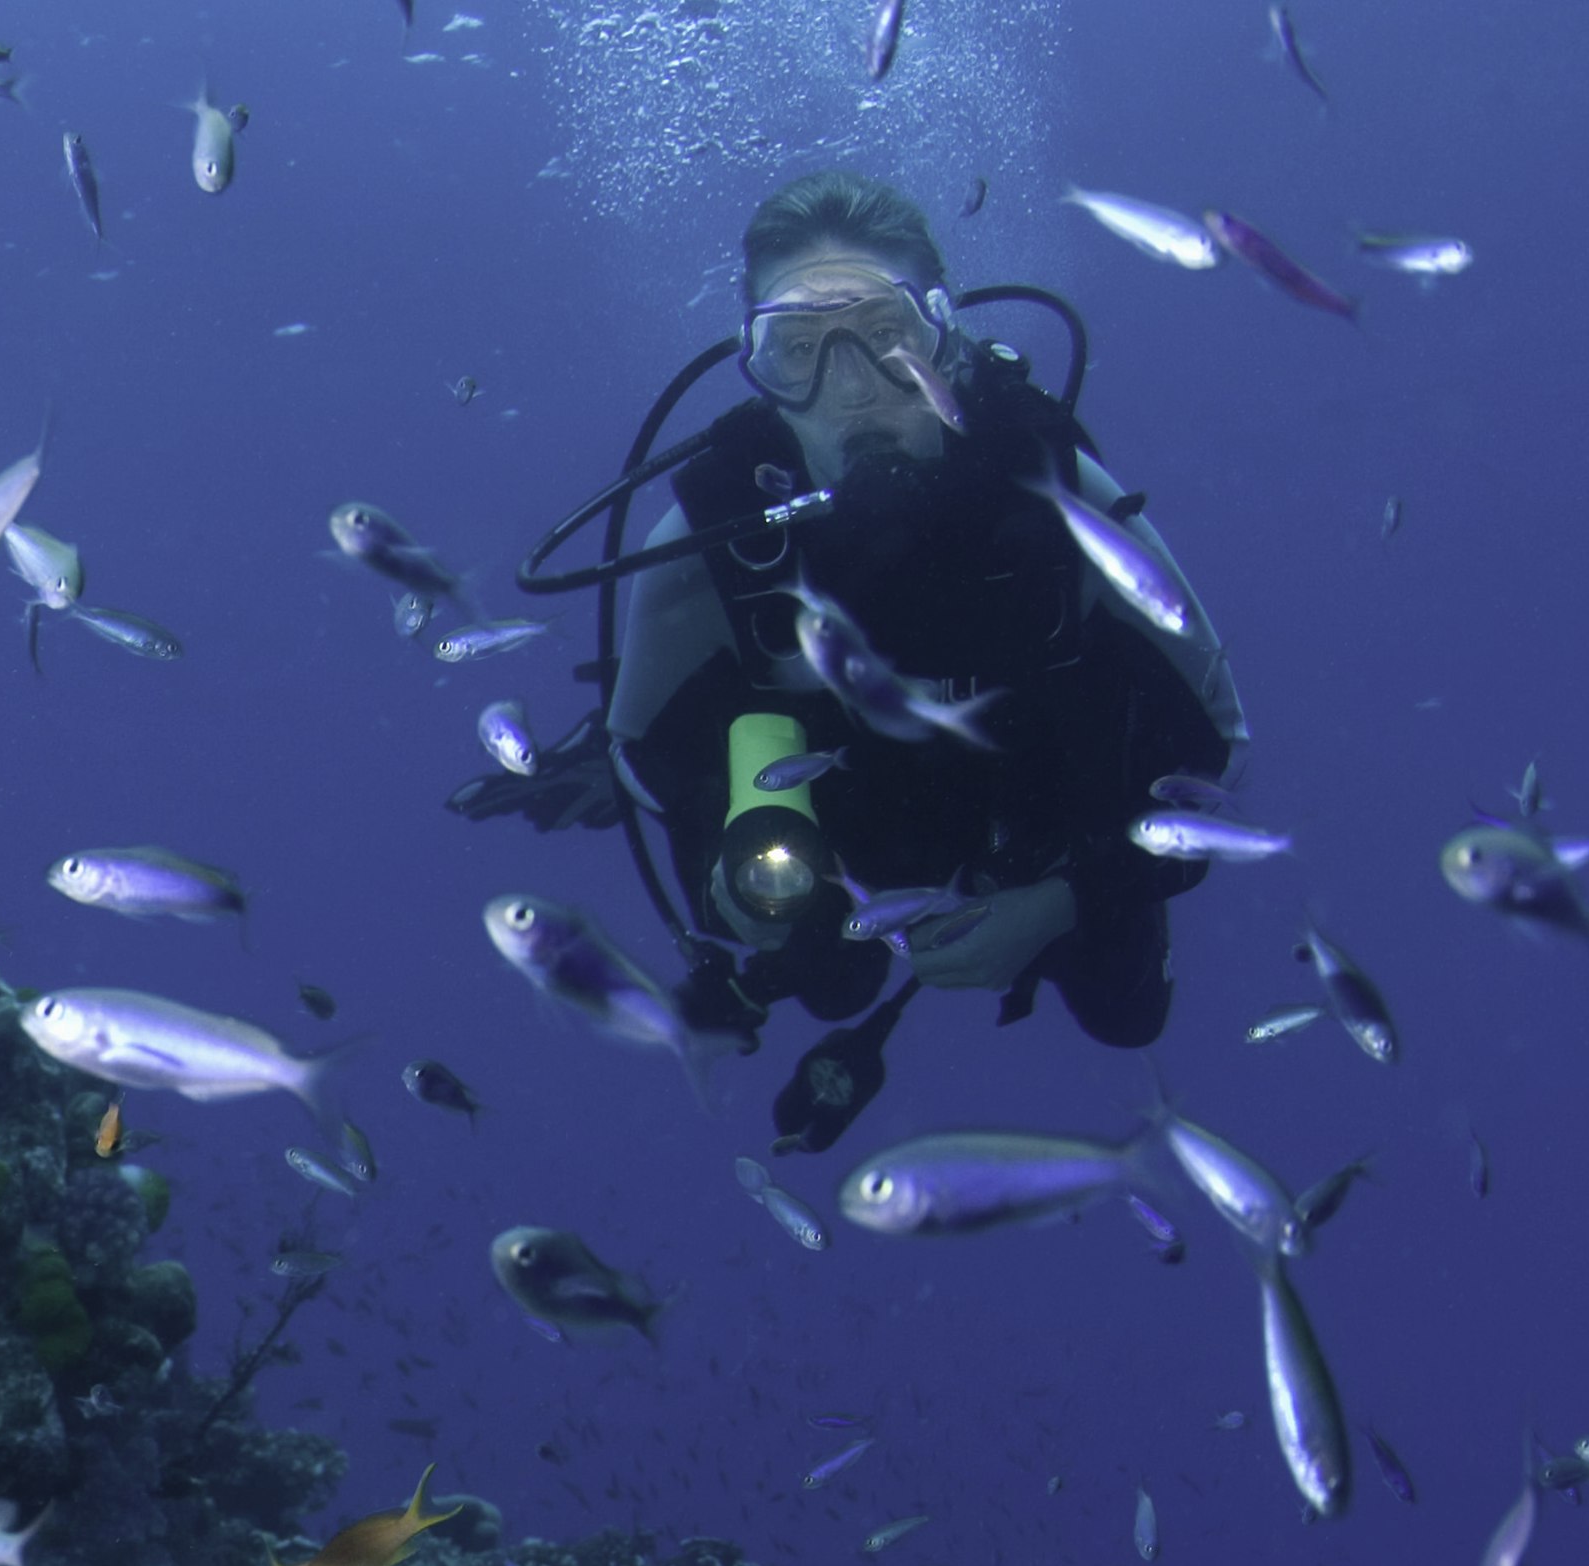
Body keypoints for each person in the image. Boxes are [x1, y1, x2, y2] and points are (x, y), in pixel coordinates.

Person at [488, 171, 1245, 1142]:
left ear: (946, 338)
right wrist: (730, 883)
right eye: (797, 351)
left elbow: (1217, 737)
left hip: (1055, 825)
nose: (849, 391)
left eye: (887, 338)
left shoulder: (1052, 484)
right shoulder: (713, 530)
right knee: (827, 978)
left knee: (1126, 1011)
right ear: (758, 374)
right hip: (847, 847)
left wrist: (1065, 903)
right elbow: (642, 753)